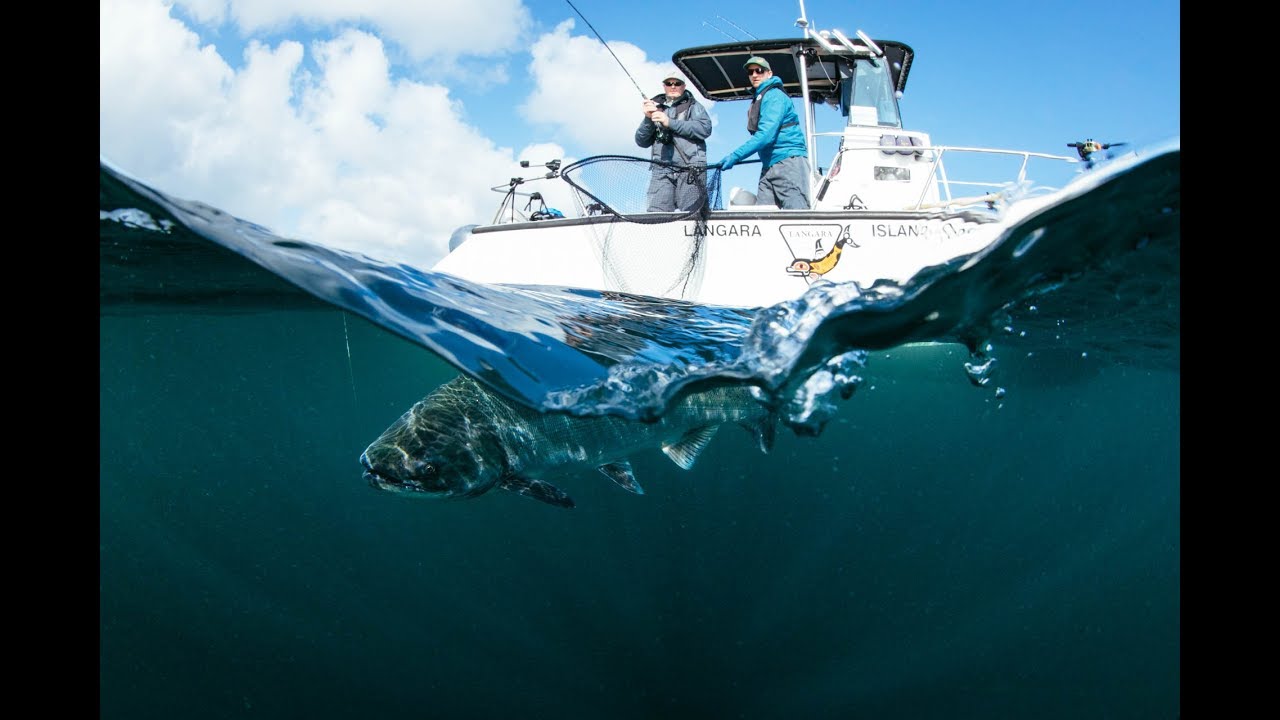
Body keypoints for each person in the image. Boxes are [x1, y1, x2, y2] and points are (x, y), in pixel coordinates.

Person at [715, 56, 812, 209]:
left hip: (788, 162)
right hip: (768, 165)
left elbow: (765, 136)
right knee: (763, 217)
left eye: (759, 71)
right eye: (750, 72)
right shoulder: (760, 97)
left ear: (769, 73)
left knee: (796, 216)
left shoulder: (774, 96)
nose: (754, 75)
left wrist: (735, 156)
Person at [634, 70, 712, 212]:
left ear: (684, 86)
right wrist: (648, 119)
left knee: (691, 215)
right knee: (656, 215)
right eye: (669, 83)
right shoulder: (655, 107)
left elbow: (704, 129)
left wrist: (669, 122)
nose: (673, 86)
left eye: (677, 83)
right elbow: (641, 141)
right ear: (664, 86)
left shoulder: (694, 106)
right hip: (661, 169)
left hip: (691, 168)